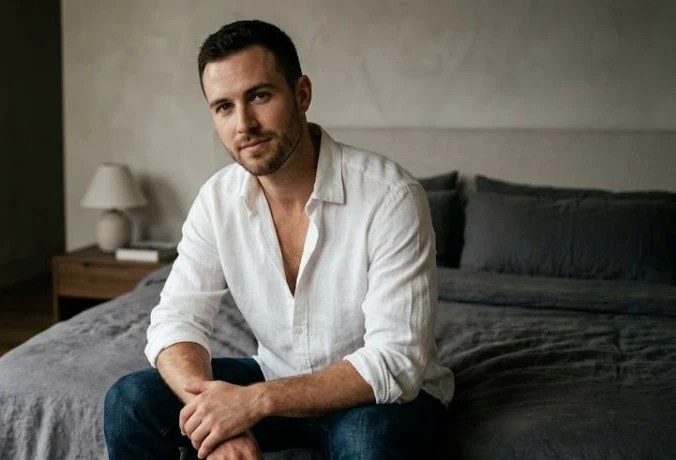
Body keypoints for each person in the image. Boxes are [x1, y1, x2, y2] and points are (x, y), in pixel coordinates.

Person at [104, 19, 454, 460]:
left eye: (259, 96)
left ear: (302, 93)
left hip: (380, 397)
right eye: (223, 107)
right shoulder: (217, 200)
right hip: (275, 376)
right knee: (129, 403)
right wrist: (216, 416)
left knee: (365, 443)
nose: (244, 125)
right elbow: (176, 320)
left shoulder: (390, 196)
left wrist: (253, 402)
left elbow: (396, 361)